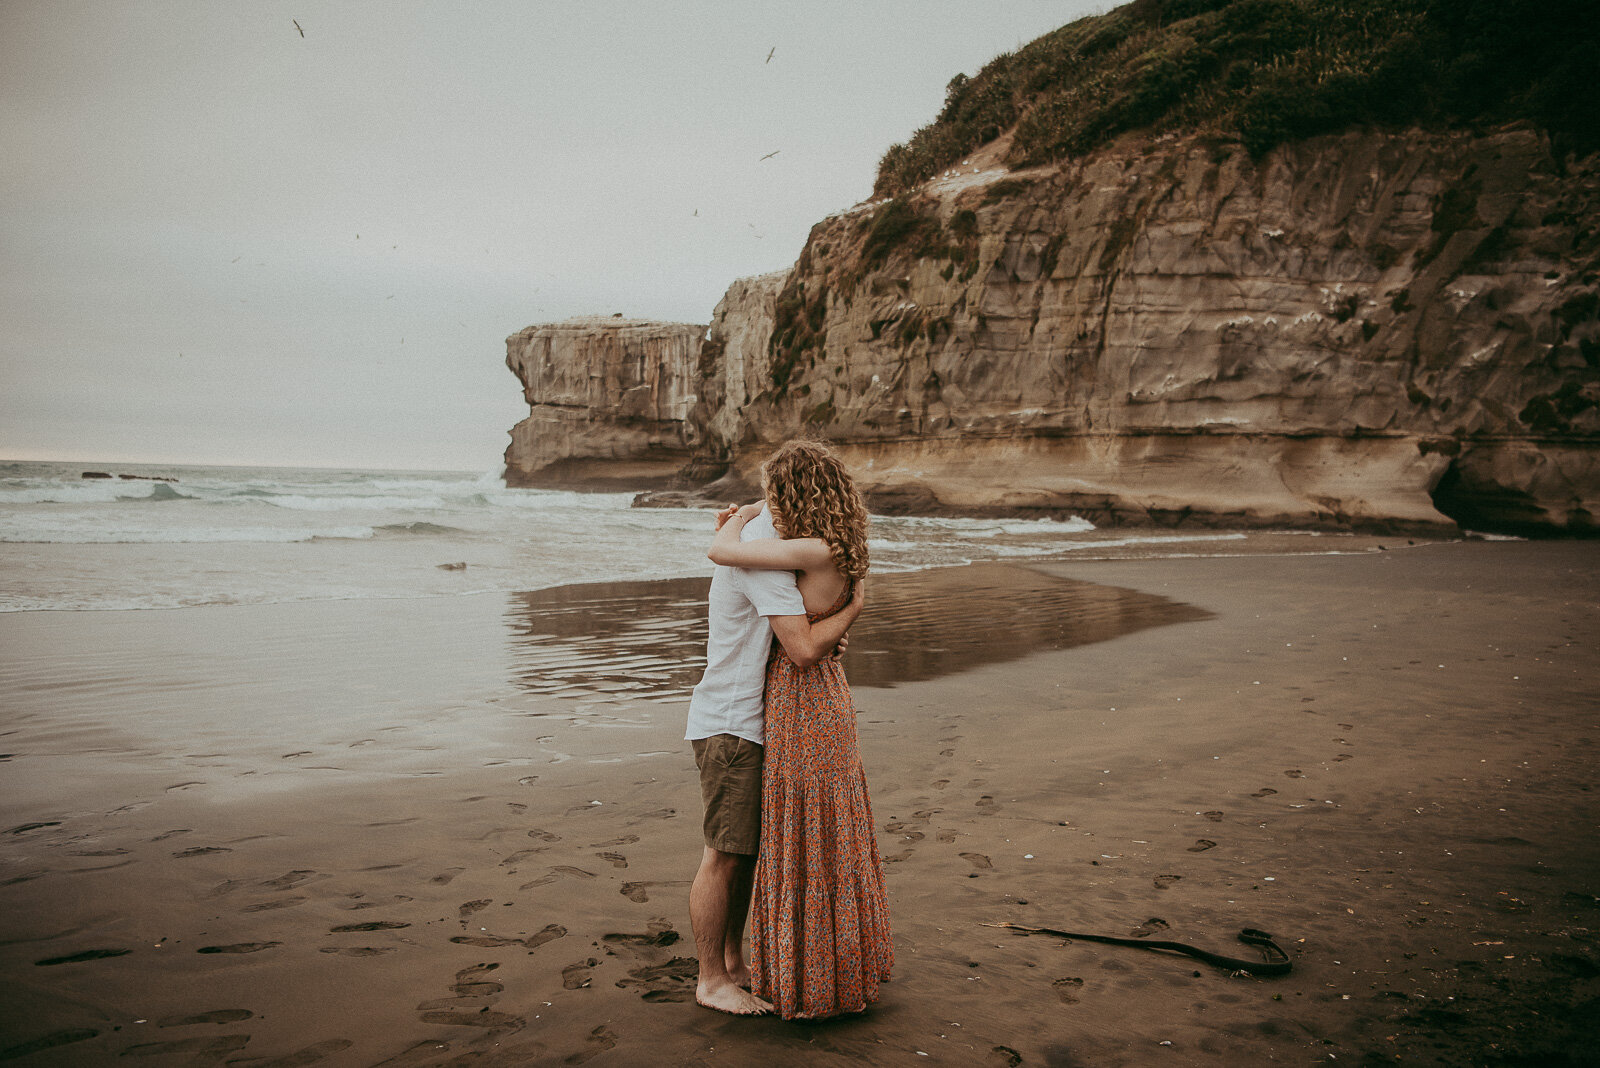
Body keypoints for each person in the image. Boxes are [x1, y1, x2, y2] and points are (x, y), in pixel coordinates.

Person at [707, 440, 893, 1019]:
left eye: (769, 492)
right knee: (828, 829)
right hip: (828, 697)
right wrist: (853, 610)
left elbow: (724, 555)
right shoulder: (841, 547)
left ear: (788, 493)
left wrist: (734, 524)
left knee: (799, 832)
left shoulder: (799, 550)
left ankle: (770, 976)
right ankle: (831, 968)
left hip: (796, 697)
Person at [685, 496, 864, 1016]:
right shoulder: (758, 552)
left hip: (750, 724)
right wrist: (847, 613)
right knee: (723, 854)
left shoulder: (759, 545)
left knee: (743, 851)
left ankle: (734, 963)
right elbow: (801, 647)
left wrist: (833, 629)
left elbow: (799, 628)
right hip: (731, 724)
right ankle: (711, 978)